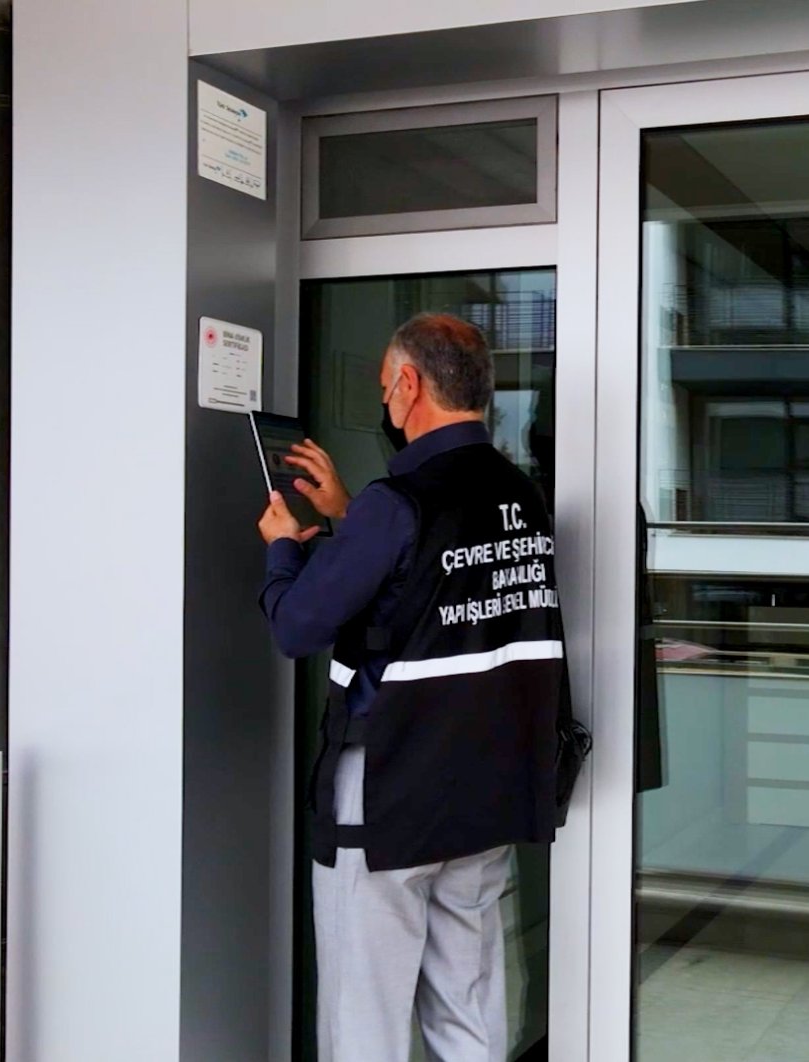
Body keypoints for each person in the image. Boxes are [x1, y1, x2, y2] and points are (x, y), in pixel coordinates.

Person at [256, 312, 567, 1062]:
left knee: (367, 1018)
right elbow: (431, 593)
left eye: (386, 388)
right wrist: (345, 517)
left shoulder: (397, 503)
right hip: (486, 788)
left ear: (409, 382)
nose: (386, 404)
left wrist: (282, 553)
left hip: (391, 792)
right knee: (471, 1008)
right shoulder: (518, 494)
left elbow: (298, 628)